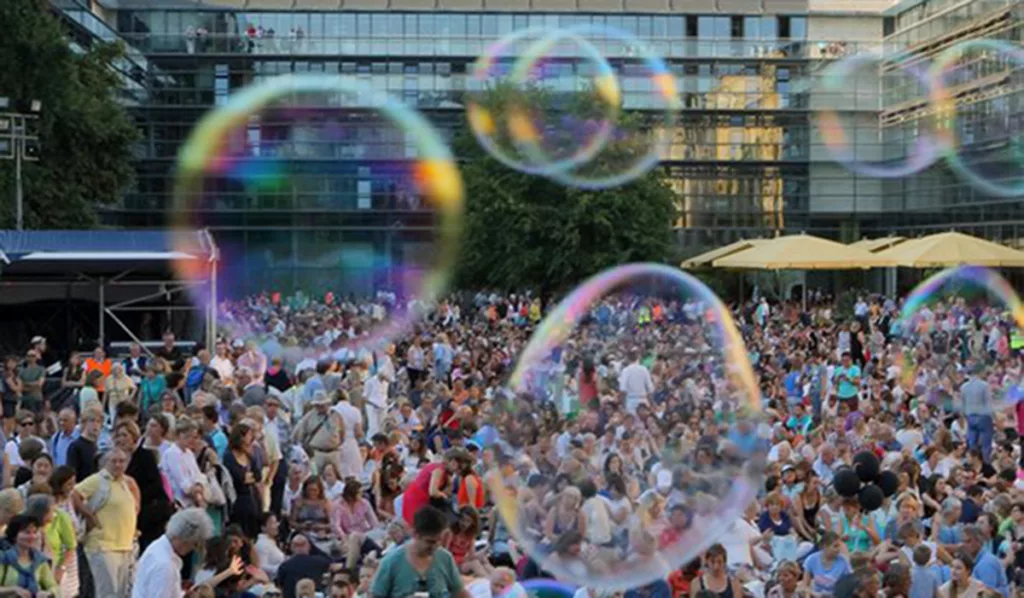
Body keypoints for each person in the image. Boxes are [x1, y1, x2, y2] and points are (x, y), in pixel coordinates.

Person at [72, 447, 140, 597]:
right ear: (105, 463)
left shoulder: (125, 482)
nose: (118, 465)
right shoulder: (98, 479)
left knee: (121, 593)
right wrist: (87, 513)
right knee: (107, 592)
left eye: (121, 461)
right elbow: (74, 494)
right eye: (113, 461)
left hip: (125, 545)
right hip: (102, 545)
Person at [371, 506, 471, 598]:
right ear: (415, 534)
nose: (435, 546)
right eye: (430, 542)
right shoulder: (391, 562)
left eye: (438, 541)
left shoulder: (445, 558)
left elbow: (460, 592)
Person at [131, 508, 215, 598]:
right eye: (195, 544)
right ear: (186, 539)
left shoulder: (157, 546)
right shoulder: (165, 566)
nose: (193, 549)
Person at [400, 448, 467, 525]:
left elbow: (447, 490)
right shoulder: (439, 469)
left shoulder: (441, 470)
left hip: (417, 498)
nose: (458, 471)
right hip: (417, 499)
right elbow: (433, 491)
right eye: (459, 468)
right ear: (453, 462)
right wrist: (443, 495)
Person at [0, 514, 59, 595]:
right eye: (27, 532)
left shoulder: (40, 560)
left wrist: (48, 593)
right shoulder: (4, 558)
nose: (32, 536)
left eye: (35, 532)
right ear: (14, 535)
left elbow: (53, 586)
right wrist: (13, 590)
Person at [801, 531, 851, 595]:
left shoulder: (844, 562)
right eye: (835, 546)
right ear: (825, 546)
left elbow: (847, 588)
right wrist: (813, 594)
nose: (839, 549)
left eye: (839, 546)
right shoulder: (812, 559)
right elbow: (804, 585)